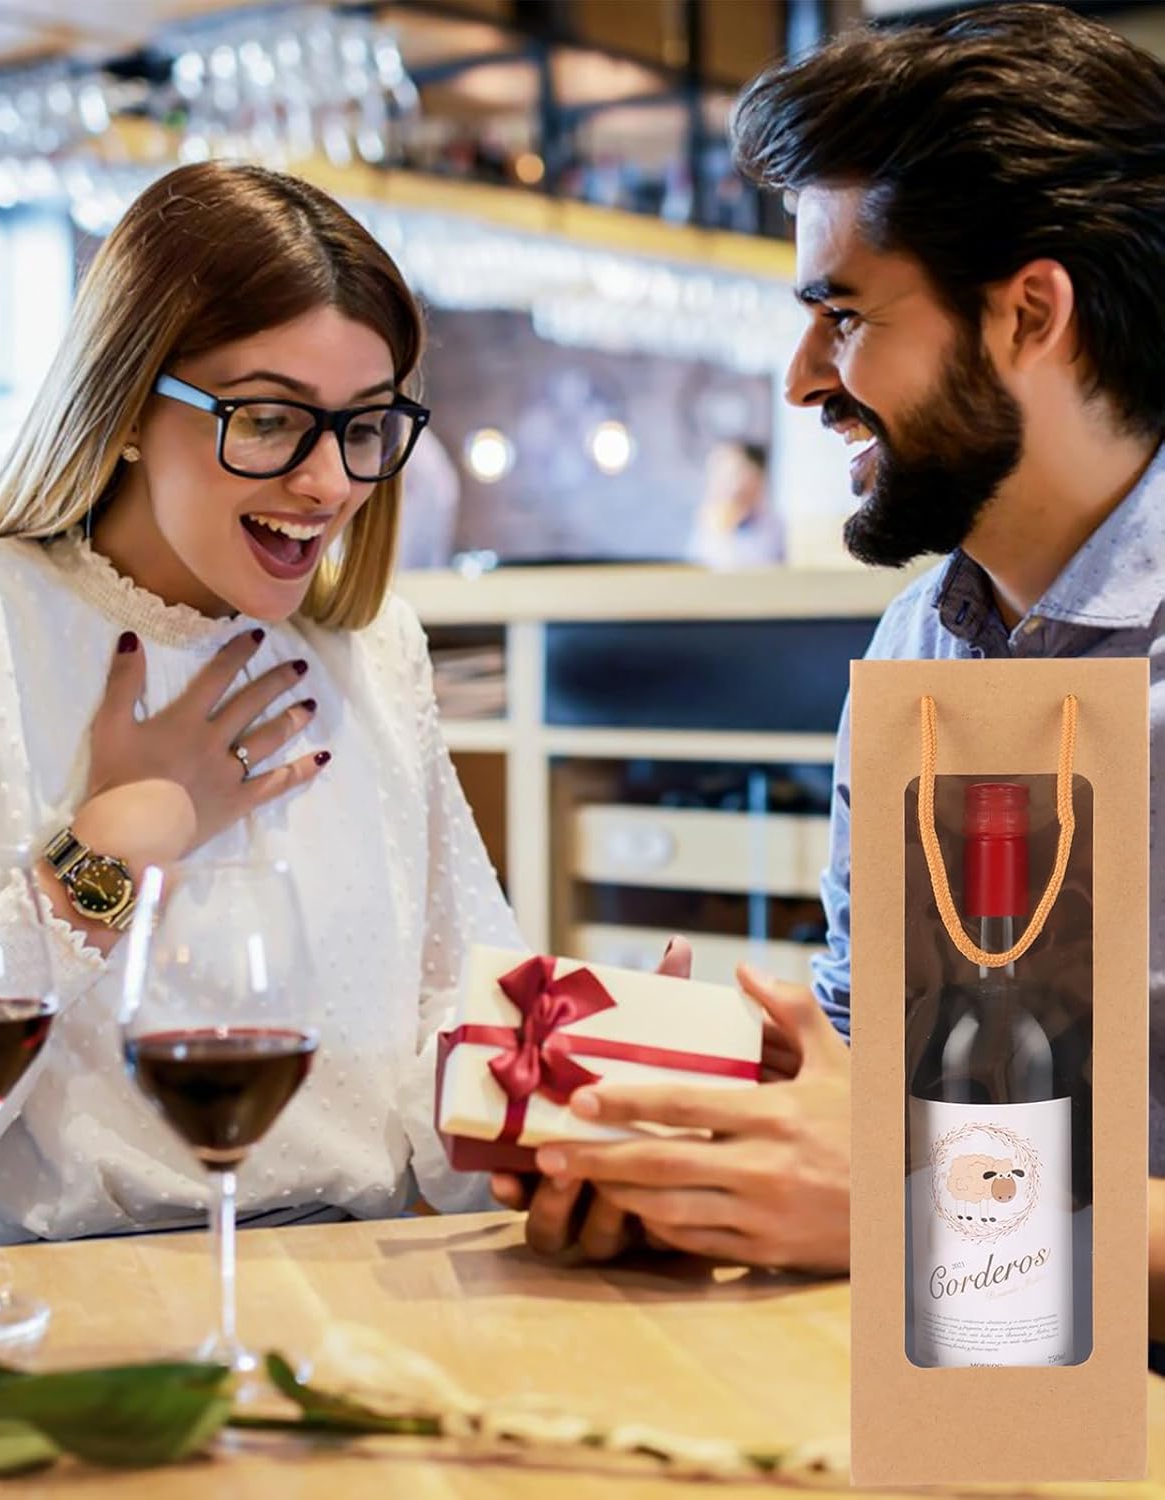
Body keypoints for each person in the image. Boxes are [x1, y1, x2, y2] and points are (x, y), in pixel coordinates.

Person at [497, 2, 1165, 1293]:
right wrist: (709, 1144)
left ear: (1030, 314)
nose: (801, 378)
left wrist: (922, 1213)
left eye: (844, 313)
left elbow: (920, 1195)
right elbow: (896, 1117)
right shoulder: (922, 649)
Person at [0, 161, 523, 1255]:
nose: (329, 484)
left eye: (363, 427)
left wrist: (585, 1070)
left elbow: (462, 1023)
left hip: (344, 1289)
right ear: (124, 404)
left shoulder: (372, 649)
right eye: (270, 419)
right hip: (35, 1307)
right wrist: (102, 857)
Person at [687, 441, 784, 570]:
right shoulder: (708, 523)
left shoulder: (773, 525)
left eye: (732, 473)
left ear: (756, 477)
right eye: (716, 473)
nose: (719, 482)